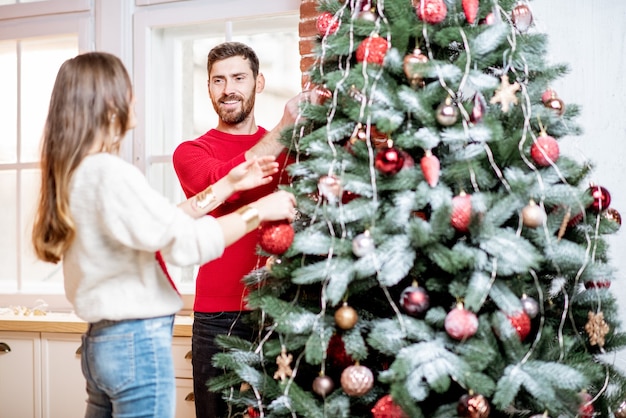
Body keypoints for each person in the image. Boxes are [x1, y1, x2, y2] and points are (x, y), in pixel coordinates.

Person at [31, 51, 296, 418]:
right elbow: (187, 243)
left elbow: (161, 223)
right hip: (134, 343)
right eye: (127, 88)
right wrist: (260, 210)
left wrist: (225, 186)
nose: (134, 97)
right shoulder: (110, 173)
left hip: (102, 343)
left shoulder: (80, 173)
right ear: (108, 102)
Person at [172, 42, 306, 417]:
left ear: (258, 82)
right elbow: (222, 183)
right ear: (210, 88)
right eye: (218, 80)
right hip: (219, 316)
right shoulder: (191, 152)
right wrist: (284, 125)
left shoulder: (289, 149)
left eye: (238, 78)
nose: (227, 88)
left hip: (281, 310)